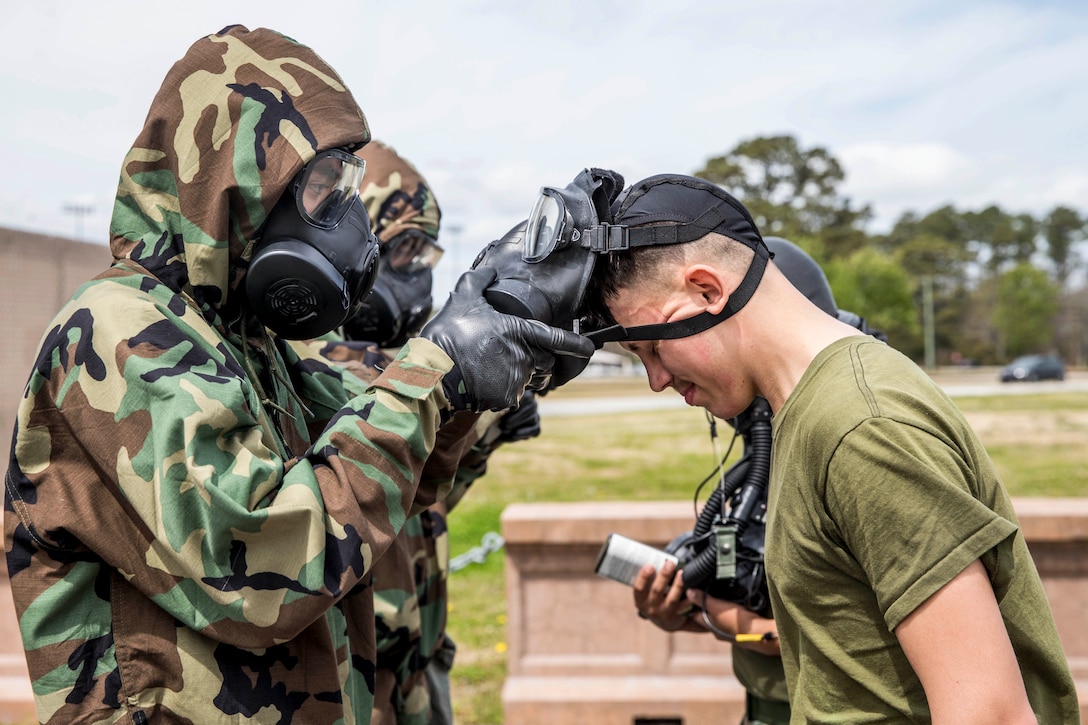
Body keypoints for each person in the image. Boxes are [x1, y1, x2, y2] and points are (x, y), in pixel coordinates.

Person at [3, 26, 591, 725]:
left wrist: (476, 365)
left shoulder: (248, 341)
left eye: (345, 188)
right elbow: (261, 568)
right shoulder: (121, 330)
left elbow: (388, 486)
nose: (343, 223)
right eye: (320, 188)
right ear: (239, 180)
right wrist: (438, 369)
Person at [580, 173, 1080, 723]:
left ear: (707, 290)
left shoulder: (862, 426)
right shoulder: (816, 410)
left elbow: (990, 713)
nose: (655, 379)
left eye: (652, 346)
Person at [305, 138, 540, 725]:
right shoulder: (311, 362)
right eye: (401, 250)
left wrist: (484, 436)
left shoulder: (394, 362)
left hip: (417, 665)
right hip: (366, 684)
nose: (414, 276)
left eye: (423, 255)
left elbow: (414, 505)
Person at [632, 237, 885, 725]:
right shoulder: (771, 456)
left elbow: (791, 635)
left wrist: (705, 604)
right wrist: (677, 610)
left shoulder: (851, 442)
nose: (660, 380)